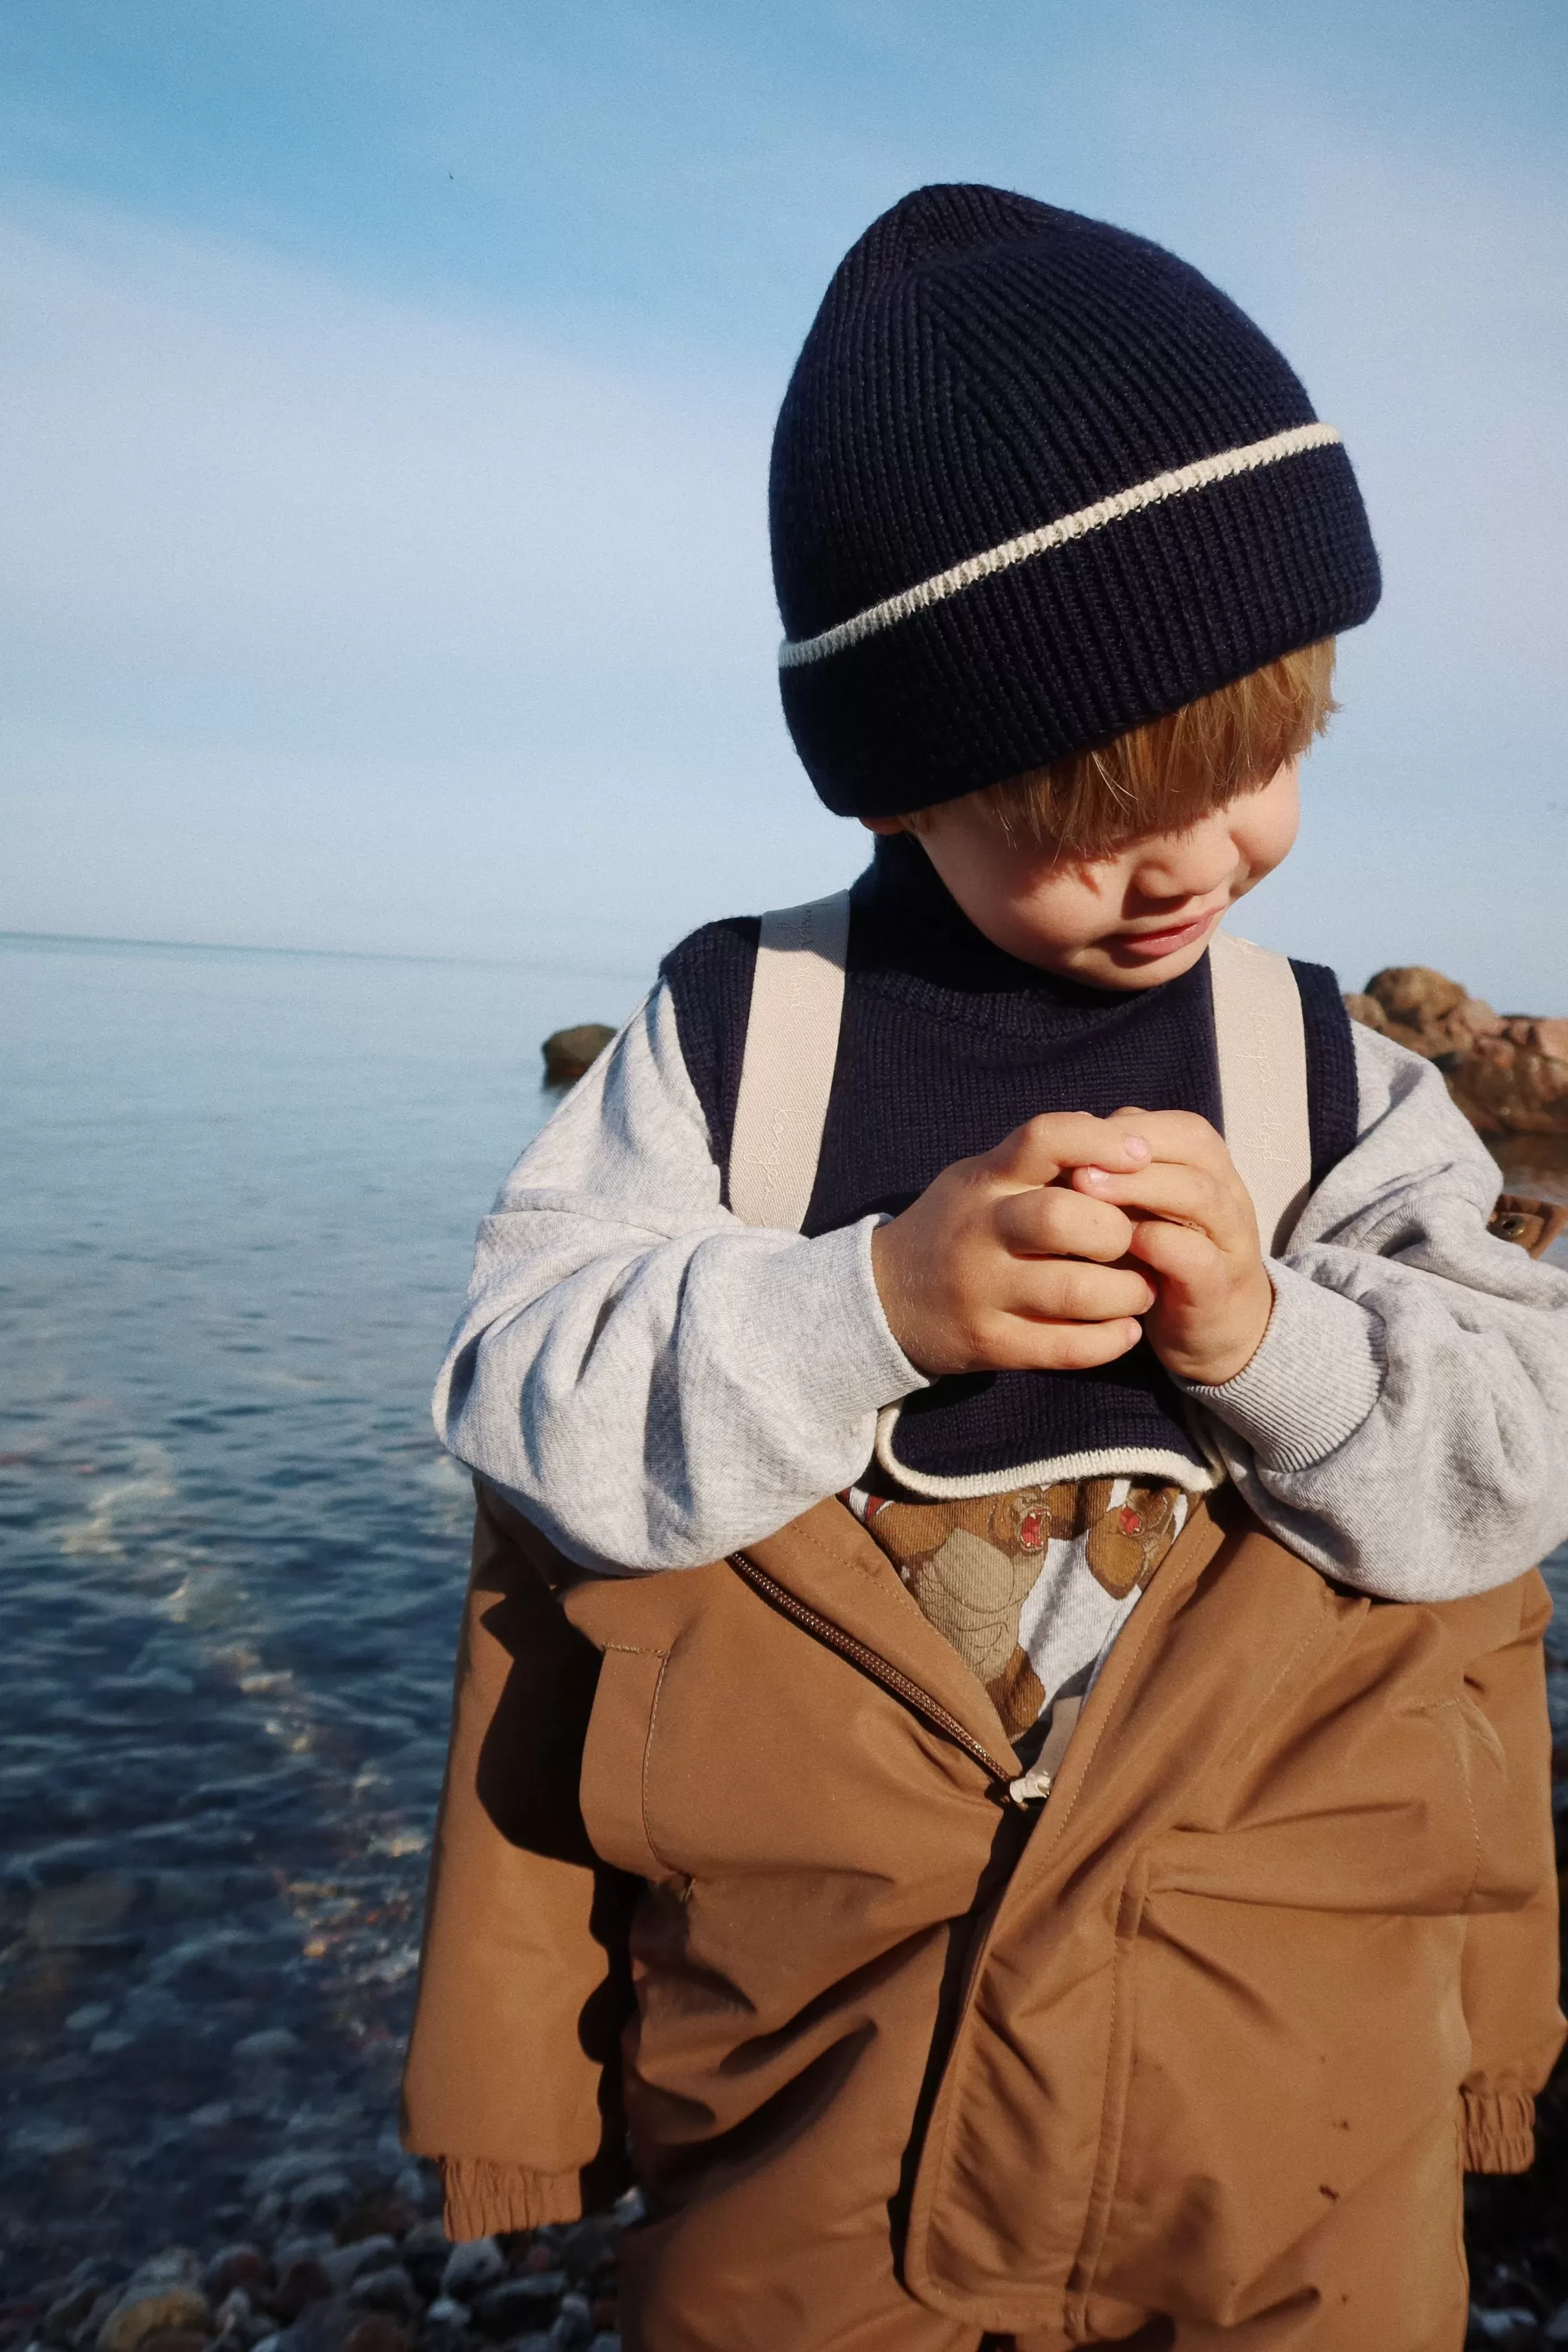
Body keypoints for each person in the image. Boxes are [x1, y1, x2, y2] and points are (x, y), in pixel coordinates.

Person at [402, 187, 1568, 2351]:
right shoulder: (743, 1044)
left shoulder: (1323, 1077)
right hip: (813, 2089)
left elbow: (1516, 1456)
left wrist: (1280, 1343)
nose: (1196, 859)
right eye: (1097, 802)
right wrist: (863, 1308)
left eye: (1266, 762)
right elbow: (519, 1391)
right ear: (898, 774)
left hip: (1291, 2097)